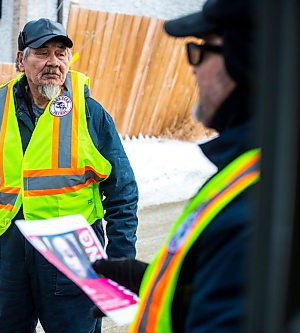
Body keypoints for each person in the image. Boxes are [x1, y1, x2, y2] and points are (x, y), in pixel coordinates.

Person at [0, 18, 139, 333]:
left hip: (72, 253)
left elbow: (122, 192)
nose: (53, 62)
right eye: (42, 52)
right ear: (21, 60)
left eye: (61, 53)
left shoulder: (90, 113)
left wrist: (120, 263)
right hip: (8, 251)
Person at [93, 0, 259, 331]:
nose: (193, 68)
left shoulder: (259, 200)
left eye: (200, 50)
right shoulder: (247, 170)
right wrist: (151, 281)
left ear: (244, 59)